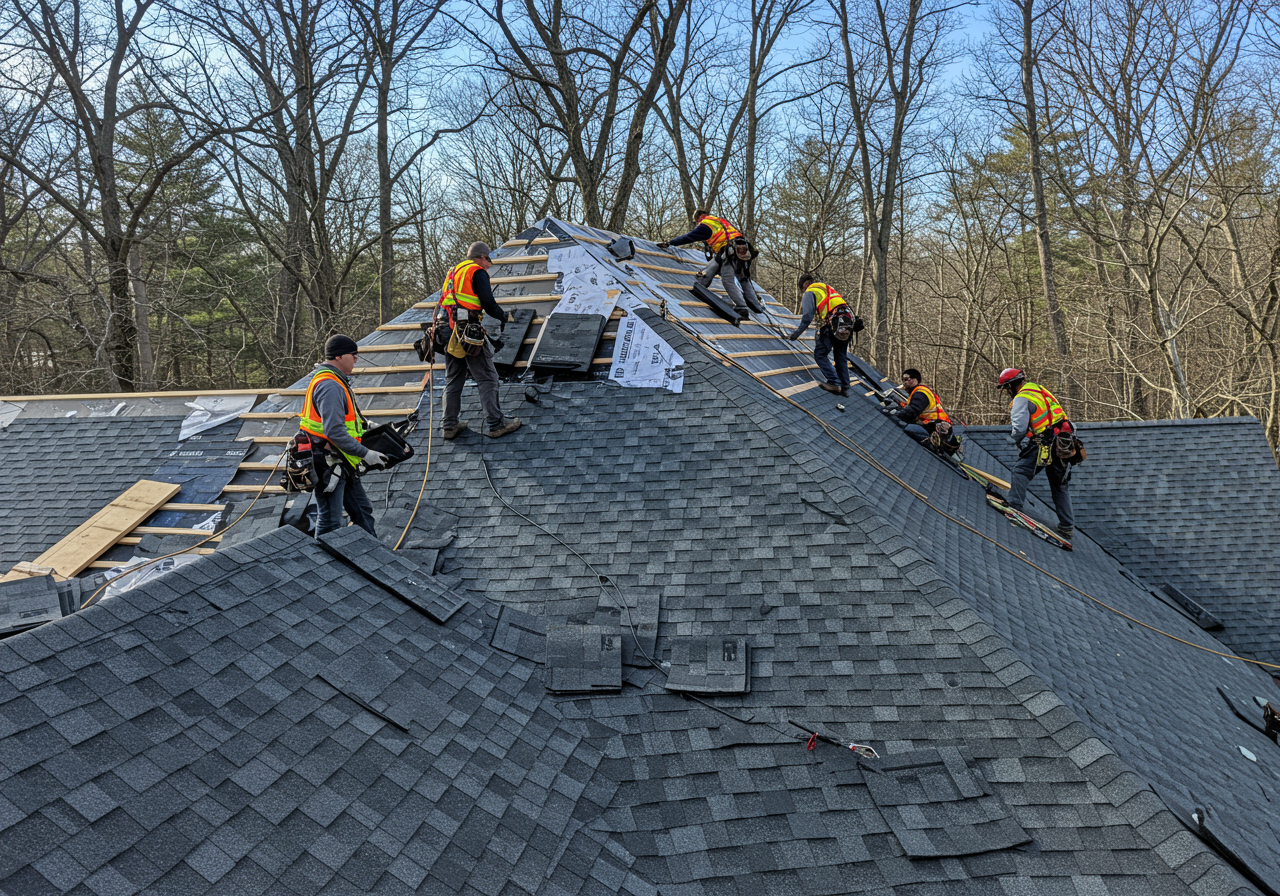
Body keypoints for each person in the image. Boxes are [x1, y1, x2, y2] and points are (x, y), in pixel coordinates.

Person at [428, 241, 522, 440]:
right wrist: (505, 317)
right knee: (487, 377)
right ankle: (496, 424)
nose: (489, 265)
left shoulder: (454, 271)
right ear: (482, 257)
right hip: (466, 331)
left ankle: (449, 426)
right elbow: (488, 302)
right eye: (489, 260)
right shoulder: (477, 272)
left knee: (453, 379)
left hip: (446, 330)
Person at [299, 334, 387, 537]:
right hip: (328, 463)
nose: (356, 358)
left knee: (362, 511)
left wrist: (370, 427)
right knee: (331, 520)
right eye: (353, 354)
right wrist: (366, 453)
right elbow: (334, 431)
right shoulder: (330, 385)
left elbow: (346, 423)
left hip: (343, 460)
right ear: (338, 356)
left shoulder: (336, 381)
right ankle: (323, 566)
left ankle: (371, 557)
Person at [997, 368, 1075, 540]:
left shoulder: (1021, 398)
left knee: (1021, 471)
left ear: (1010, 386)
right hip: (1063, 442)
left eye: (1006, 388)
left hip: (1044, 442)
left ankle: (1014, 506)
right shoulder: (1038, 389)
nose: (1007, 392)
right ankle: (1067, 526)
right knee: (1059, 484)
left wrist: (1018, 440)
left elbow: (1019, 429)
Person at [657, 210, 760, 311]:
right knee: (744, 279)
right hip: (743, 250)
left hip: (729, 251)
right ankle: (756, 306)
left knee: (727, 280)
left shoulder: (705, 225)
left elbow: (689, 237)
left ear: (698, 219)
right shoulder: (718, 221)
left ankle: (741, 307)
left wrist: (670, 243)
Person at [787, 272, 863, 395]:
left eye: (802, 290)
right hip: (847, 323)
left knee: (820, 354)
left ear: (805, 285)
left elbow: (807, 316)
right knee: (840, 355)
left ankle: (834, 382)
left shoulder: (810, 291)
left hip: (834, 322)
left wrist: (795, 334)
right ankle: (845, 387)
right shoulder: (827, 289)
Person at [885, 369, 961, 455]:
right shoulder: (920, 392)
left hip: (938, 432)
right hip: (940, 431)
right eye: (903, 380)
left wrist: (894, 415)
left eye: (906, 379)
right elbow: (912, 408)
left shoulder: (921, 393)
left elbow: (912, 411)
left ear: (915, 380)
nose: (904, 383)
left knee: (909, 429)